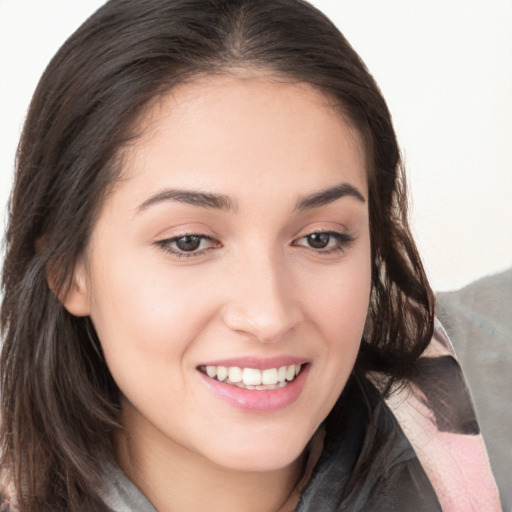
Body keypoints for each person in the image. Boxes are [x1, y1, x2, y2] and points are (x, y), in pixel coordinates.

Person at [0, 0, 501, 510]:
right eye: (189, 242)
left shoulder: (489, 392)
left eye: (321, 238)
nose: (268, 315)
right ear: (68, 269)